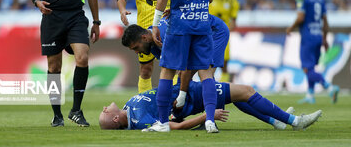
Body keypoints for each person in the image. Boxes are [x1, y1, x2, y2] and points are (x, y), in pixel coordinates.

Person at [121, 16, 298, 130]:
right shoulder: (153, 47)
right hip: (199, 38)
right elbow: (173, 69)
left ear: (144, 37)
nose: (137, 52)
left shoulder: (168, 35)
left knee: (210, 81)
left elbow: (187, 66)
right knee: (225, 92)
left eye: (136, 48)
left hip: (214, 34)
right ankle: (275, 120)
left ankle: (210, 120)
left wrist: (182, 93)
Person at [29, 0, 100, 127]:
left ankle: (76, 110)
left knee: (83, 57)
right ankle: (57, 114)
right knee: (54, 66)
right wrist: (37, 2)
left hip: (76, 16)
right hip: (52, 19)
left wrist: (96, 21)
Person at [149, 0, 217, 133]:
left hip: (179, 26)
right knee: (206, 73)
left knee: (167, 71)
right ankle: (210, 121)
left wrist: (155, 23)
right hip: (202, 23)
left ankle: (162, 123)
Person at [98, 80, 322, 131]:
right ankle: (294, 122)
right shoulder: (139, 120)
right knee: (246, 91)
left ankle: (277, 120)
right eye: (105, 113)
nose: (104, 108)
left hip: (186, 91)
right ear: (116, 119)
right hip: (194, 96)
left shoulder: (129, 107)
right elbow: (172, 127)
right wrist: (208, 115)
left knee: (236, 97)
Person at [286, 0, 339, 104]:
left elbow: (300, 18)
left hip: (308, 36)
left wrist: (290, 28)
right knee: (312, 67)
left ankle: (329, 86)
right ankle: (310, 95)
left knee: (306, 68)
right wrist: (325, 38)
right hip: (318, 36)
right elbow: (325, 20)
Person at [209, 0, 239, 82]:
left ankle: (223, 86)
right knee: (206, 63)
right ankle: (206, 85)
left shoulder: (232, 1)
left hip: (222, 36)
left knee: (224, 64)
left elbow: (234, 21)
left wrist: (225, 32)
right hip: (207, 35)